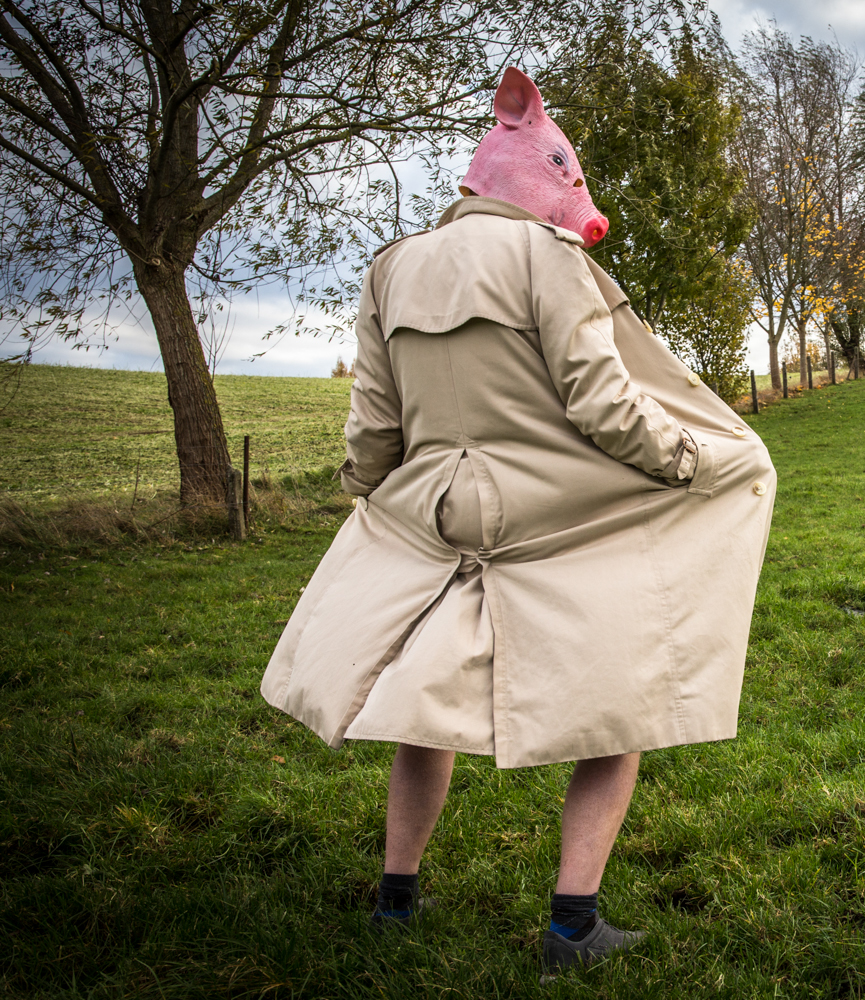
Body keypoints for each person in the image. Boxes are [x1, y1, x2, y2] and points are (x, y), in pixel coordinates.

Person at [259, 67, 776, 973]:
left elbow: (374, 429)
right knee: (622, 711)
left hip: (435, 521)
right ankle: (571, 927)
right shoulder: (553, 260)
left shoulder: (392, 266)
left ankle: (394, 907)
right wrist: (689, 461)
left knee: (422, 712)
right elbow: (603, 407)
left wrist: (369, 492)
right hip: (555, 525)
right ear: (535, 176)